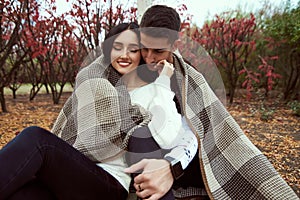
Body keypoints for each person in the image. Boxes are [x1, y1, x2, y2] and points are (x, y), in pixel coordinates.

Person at [124, 4, 298, 200]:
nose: (149, 57)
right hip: (141, 146)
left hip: (183, 154)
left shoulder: (186, 76)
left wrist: (172, 166)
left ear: (173, 46)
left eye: (158, 51)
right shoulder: (131, 64)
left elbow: (195, 130)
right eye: (144, 48)